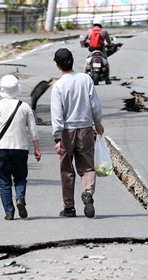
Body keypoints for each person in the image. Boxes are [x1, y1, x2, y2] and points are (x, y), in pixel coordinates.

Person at [50, 48, 105, 218]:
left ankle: (69, 208)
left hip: (67, 131)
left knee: (67, 169)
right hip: (86, 129)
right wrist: (98, 123)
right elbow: (95, 105)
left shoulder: (58, 85)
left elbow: (57, 114)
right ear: (73, 61)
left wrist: (57, 138)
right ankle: (88, 192)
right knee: (87, 166)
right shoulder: (86, 79)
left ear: (58, 65)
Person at [0, 75, 41, 220]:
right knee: (20, 177)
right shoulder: (24, 106)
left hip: (2, 149)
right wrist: (37, 149)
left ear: (2, 89)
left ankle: (9, 212)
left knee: (4, 181)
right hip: (21, 149)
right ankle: (20, 197)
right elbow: (33, 130)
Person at [80, 17, 111, 83]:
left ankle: (84, 77)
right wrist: (109, 44)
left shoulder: (89, 31)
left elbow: (82, 40)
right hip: (101, 50)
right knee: (106, 62)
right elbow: (109, 41)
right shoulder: (104, 31)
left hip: (92, 50)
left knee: (87, 62)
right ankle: (107, 79)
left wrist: (83, 44)